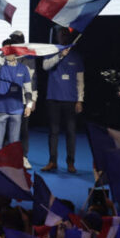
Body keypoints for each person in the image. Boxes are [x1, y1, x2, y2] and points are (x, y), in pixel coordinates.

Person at [42, 28, 84, 173]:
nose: (63, 36)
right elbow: (45, 66)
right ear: (57, 36)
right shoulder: (51, 52)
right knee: (53, 131)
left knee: (71, 132)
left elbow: (80, 80)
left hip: (70, 99)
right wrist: (60, 55)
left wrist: (80, 100)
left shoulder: (76, 56)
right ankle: (52, 161)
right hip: (53, 98)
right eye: (60, 34)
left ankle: (70, 162)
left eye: (65, 34)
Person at [0, 39, 33, 150]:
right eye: (6, 50)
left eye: (10, 49)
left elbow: (28, 89)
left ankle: (12, 161)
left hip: (17, 109)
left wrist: (28, 106)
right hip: (0, 108)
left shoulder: (23, 68)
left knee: (14, 143)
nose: (8, 52)